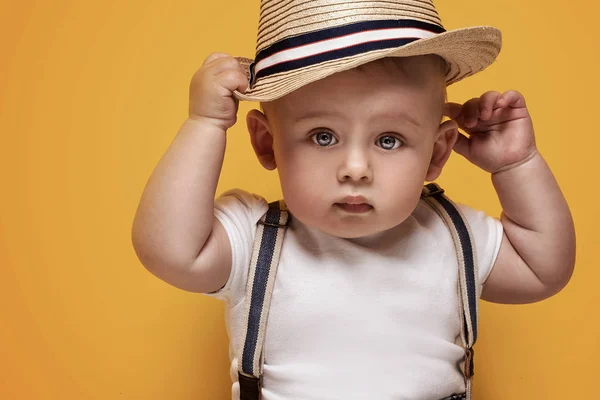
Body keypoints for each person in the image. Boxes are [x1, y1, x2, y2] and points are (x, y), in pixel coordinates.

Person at [131, 1, 576, 399]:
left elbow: (544, 270)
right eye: (323, 136)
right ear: (268, 144)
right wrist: (205, 124)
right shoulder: (255, 239)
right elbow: (169, 250)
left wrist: (516, 166)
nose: (356, 168)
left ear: (437, 152)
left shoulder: (453, 235)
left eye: (389, 139)